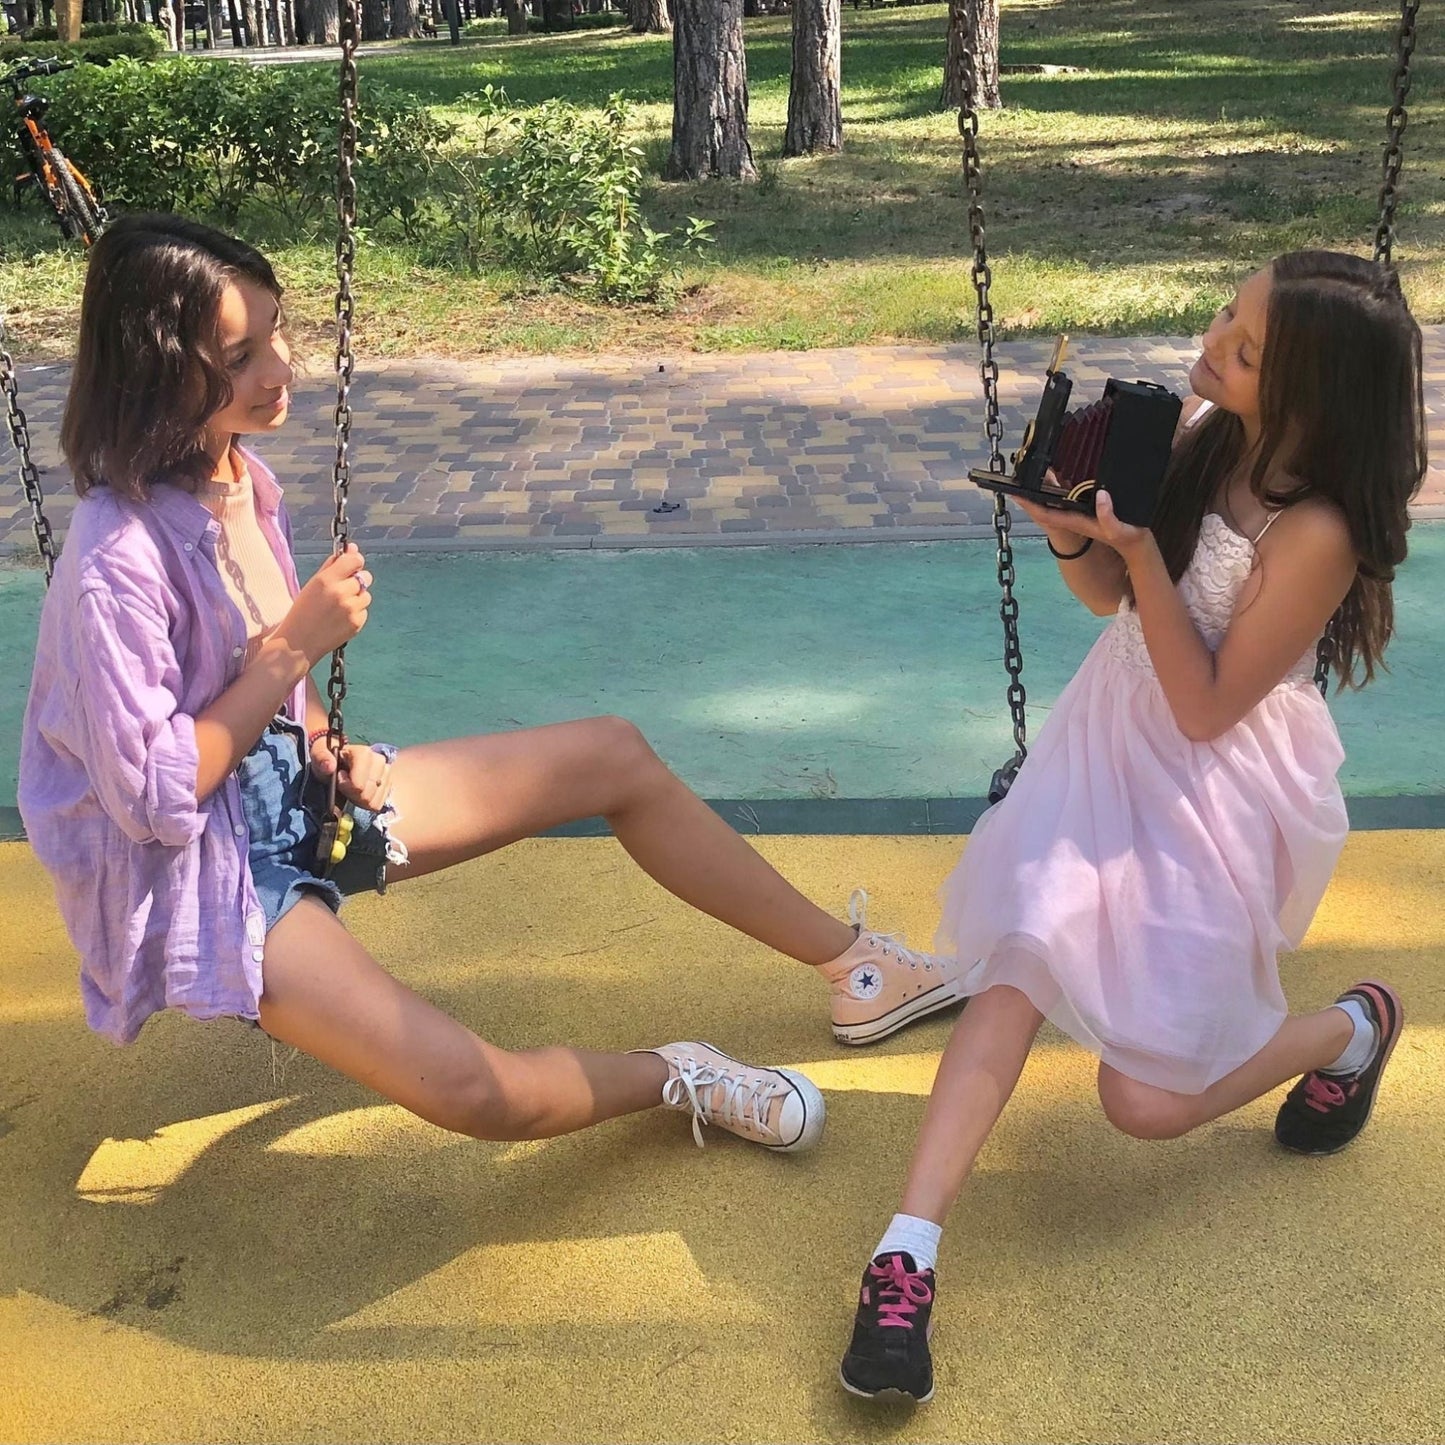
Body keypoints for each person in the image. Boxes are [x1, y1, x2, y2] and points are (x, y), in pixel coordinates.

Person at [19, 213, 966, 1162]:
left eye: (278, 331)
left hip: (295, 794)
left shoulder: (240, 476)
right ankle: (678, 1070)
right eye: (240, 354)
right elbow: (153, 794)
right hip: (213, 873)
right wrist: (293, 652)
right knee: (479, 1093)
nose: (281, 367)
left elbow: (253, 684)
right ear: (156, 370)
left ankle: (858, 968)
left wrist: (317, 741)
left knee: (613, 754)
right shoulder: (116, 558)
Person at [838, 250, 1426, 1402]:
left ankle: (1347, 1030)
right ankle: (904, 1250)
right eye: (1226, 314)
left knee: (1141, 1102)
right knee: (1019, 955)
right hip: (1111, 735)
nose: (1213, 341)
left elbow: (1207, 705)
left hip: (1217, 780)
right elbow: (1109, 602)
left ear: (1308, 393)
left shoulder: (1315, 532)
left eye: (1246, 346)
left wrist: (1142, 549)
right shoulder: (1207, 433)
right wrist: (1069, 527)